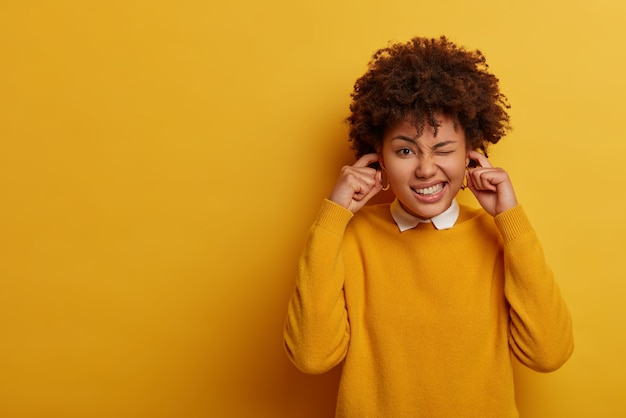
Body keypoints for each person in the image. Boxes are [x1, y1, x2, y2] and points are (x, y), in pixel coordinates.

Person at [283, 36, 574, 417]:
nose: (424, 168)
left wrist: (510, 219)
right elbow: (311, 356)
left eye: (443, 149)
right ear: (378, 158)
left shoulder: (496, 238)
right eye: (405, 150)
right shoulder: (350, 236)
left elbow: (548, 354)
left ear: (472, 154)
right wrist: (332, 218)